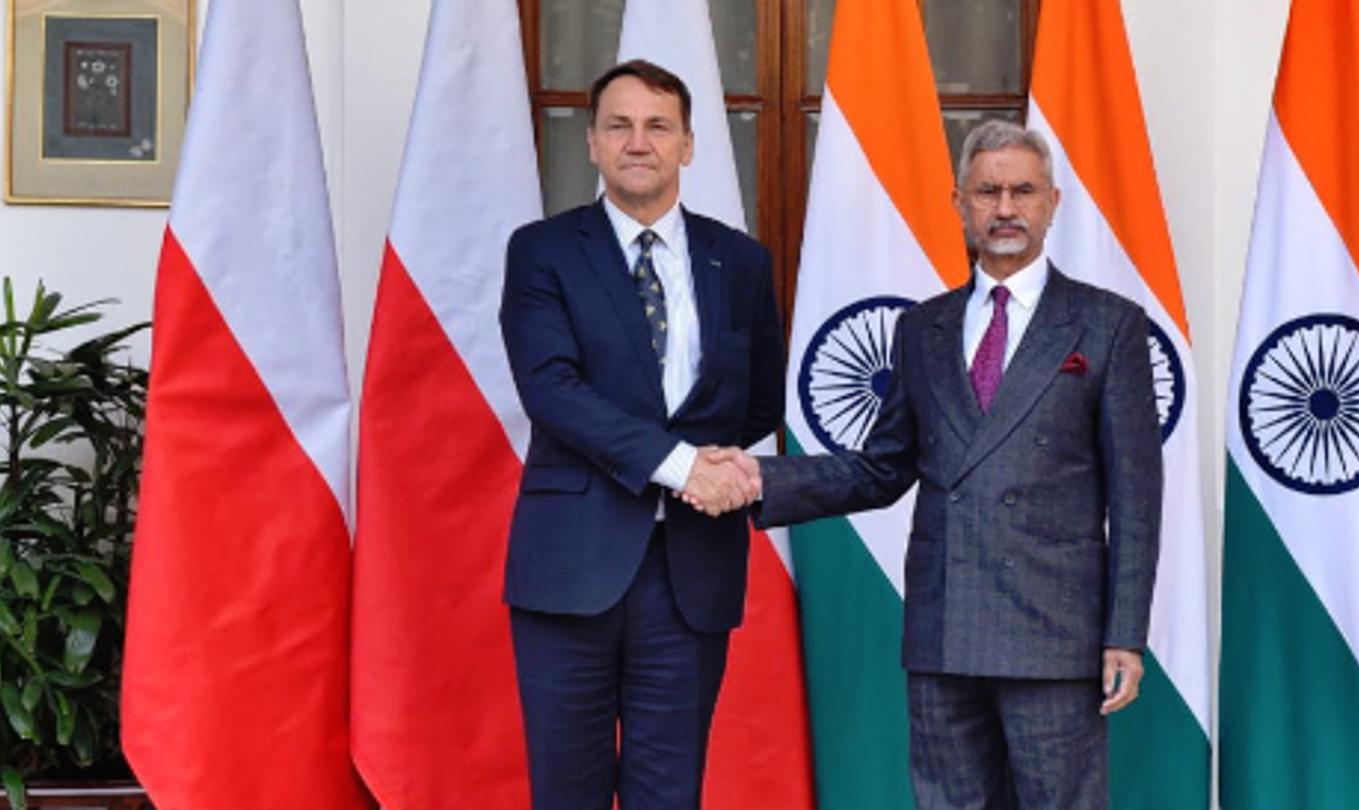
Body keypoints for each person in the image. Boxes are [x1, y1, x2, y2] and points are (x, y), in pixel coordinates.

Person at [707, 120, 1162, 810]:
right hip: (944, 628)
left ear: (1052, 202)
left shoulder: (1108, 324)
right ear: (959, 203)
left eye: (1022, 191)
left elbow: (1136, 497)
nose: (1005, 207)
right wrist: (758, 478)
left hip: (1055, 635)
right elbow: (883, 468)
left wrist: (1124, 634)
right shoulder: (923, 327)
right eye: (987, 191)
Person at [496, 59, 783, 810]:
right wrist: (681, 465)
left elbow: (757, 402)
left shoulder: (742, 261)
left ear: (688, 145)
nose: (638, 142)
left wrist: (702, 469)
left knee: (671, 793)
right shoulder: (543, 252)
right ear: (591, 143)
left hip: (690, 570)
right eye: (618, 126)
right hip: (571, 567)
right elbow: (550, 390)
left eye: (658, 126)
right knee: (567, 791)